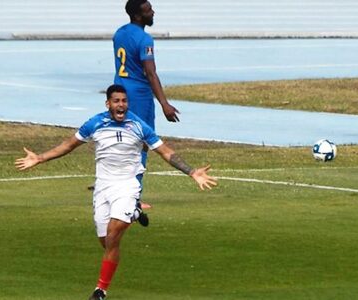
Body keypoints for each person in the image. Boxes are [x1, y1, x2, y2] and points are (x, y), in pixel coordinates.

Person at [15, 85, 217, 300]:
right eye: (116, 101)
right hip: (103, 187)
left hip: (127, 186)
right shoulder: (95, 123)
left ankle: (100, 290)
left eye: (124, 101)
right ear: (108, 104)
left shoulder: (139, 126)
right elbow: (68, 145)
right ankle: (135, 213)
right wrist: (40, 158)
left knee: (113, 236)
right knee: (106, 241)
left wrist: (191, 171)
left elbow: (165, 151)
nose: (121, 105)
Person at [113, 0, 179, 218]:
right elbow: (150, 74)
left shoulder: (120, 33)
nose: (153, 12)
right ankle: (134, 197)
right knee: (141, 143)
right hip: (139, 95)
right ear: (139, 16)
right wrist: (164, 104)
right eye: (148, 10)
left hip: (120, 90)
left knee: (121, 138)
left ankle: (115, 186)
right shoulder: (145, 39)